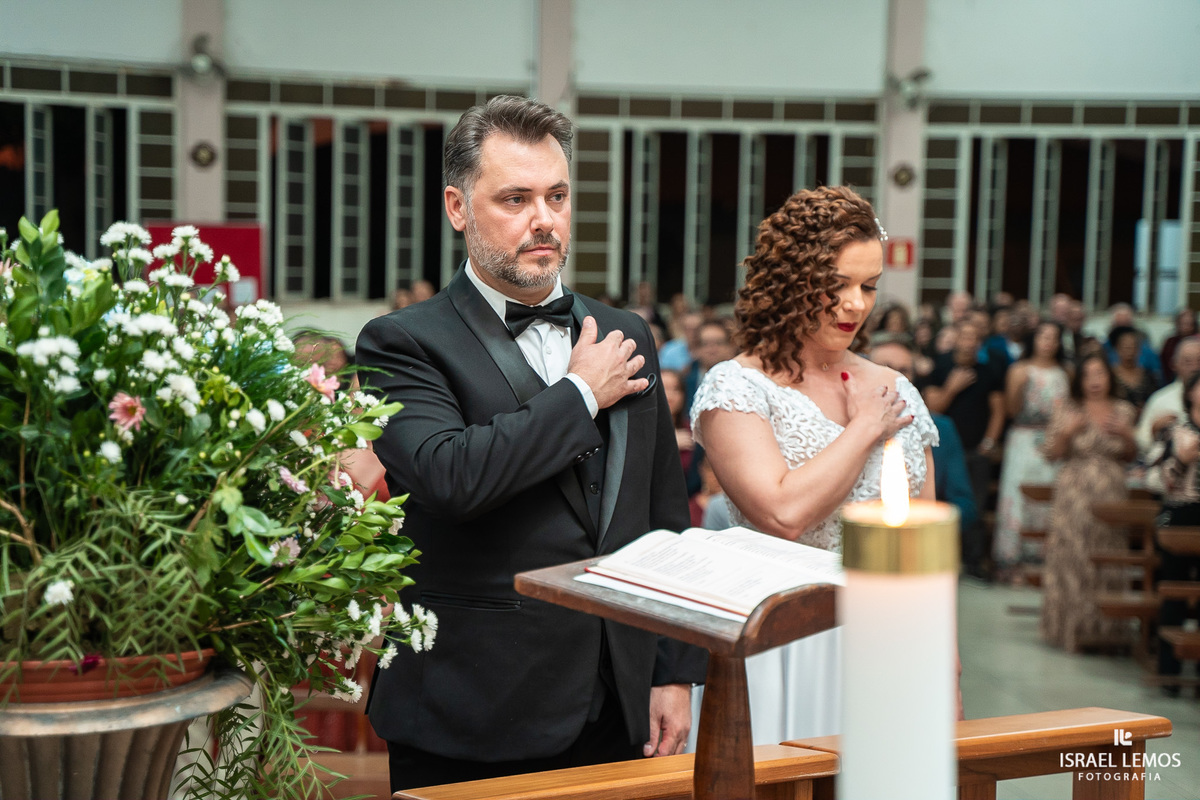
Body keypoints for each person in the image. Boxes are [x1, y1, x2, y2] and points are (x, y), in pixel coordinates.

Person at [355, 96, 707, 790]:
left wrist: (675, 670)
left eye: (557, 195)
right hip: (472, 706)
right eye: (515, 198)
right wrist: (579, 394)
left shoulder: (624, 333)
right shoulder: (401, 342)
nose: (544, 219)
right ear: (458, 208)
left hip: (618, 701)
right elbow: (450, 476)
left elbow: (663, 516)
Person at [690, 186, 941, 744]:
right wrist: (863, 431)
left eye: (869, 286)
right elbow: (784, 513)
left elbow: (929, 550)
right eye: (836, 286)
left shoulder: (894, 388)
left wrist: (945, 665)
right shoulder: (738, 387)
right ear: (789, 281)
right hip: (785, 642)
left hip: (894, 636)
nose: (856, 303)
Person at [1040, 354, 1138, 652]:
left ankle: (1108, 632)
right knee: (1074, 556)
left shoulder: (1124, 410)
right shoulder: (1068, 409)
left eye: (1100, 373)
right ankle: (1069, 629)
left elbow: (1132, 455)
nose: (1094, 380)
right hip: (1075, 490)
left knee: (1106, 553)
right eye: (1088, 375)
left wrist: (1126, 434)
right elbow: (1050, 453)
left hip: (1111, 489)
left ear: (1109, 377)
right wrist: (1068, 432)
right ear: (1079, 381)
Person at [919, 319, 1006, 577]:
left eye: (974, 337)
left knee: (972, 507)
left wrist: (989, 443)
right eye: (964, 336)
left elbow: (998, 410)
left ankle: (974, 563)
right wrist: (952, 387)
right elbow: (933, 408)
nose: (968, 342)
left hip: (975, 449)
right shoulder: (942, 364)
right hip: (942, 446)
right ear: (955, 338)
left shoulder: (989, 369)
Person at [867, 335, 977, 532]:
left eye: (904, 371)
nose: (895, 378)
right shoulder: (843, 424)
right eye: (885, 368)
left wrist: (927, 521)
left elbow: (964, 503)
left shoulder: (939, 427)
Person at [992, 320, 1070, 578]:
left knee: (1049, 495)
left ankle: (1045, 559)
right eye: (1043, 336)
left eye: (1054, 337)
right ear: (1034, 339)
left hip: (1054, 439)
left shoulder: (1065, 371)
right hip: (1024, 437)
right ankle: (1012, 561)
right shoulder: (1019, 369)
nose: (1048, 342)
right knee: (1019, 495)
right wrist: (1021, 386)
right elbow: (1012, 410)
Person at [1148, 371, 1200, 690]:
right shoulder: (1175, 431)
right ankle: (1169, 671)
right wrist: (1181, 459)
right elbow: (1154, 480)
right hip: (1180, 517)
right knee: (1174, 595)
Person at [1136, 337, 1200, 455]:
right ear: (1174, 364)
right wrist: (1155, 430)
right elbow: (1142, 443)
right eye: (1188, 362)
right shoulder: (1160, 399)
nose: (1195, 368)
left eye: (1199, 361)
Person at [1108, 325, 1158, 413]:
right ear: (1117, 349)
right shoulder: (1109, 376)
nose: (1130, 351)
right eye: (1126, 347)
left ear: (1139, 349)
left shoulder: (1149, 375)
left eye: (1133, 346)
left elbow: (1155, 399)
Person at [1160, 309, 1197, 385]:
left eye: (1189, 324)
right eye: (1183, 323)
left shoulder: (1198, 341)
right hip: (1172, 380)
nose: (1186, 327)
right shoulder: (1170, 342)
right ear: (1177, 324)